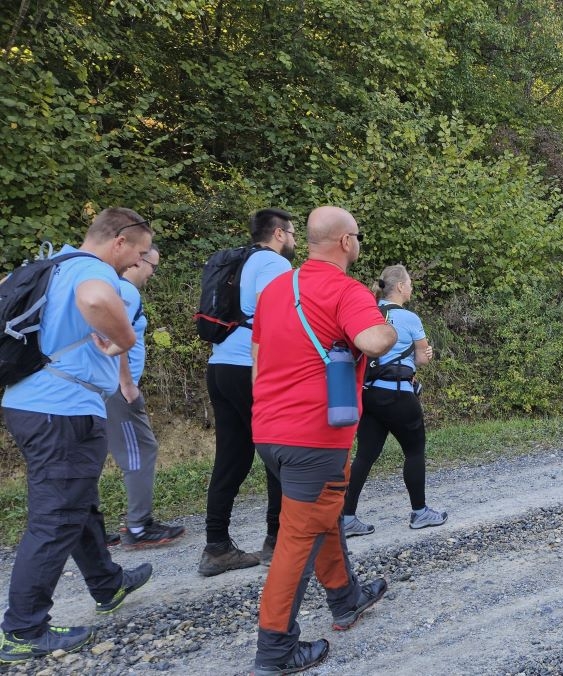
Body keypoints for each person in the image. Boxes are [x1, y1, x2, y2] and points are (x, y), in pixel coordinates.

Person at [0, 208, 155, 662]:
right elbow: (95, 298)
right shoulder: (93, 271)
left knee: (77, 502)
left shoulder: (52, 264)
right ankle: (23, 630)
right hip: (62, 410)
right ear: (120, 241)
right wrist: (126, 339)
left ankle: (107, 584)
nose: (139, 261)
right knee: (56, 517)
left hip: (30, 401)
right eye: (140, 252)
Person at [250, 206, 396, 674]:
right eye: (358, 236)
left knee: (321, 516)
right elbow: (373, 341)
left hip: (269, 430)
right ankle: (275, 650)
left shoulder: (276, 289)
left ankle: (346, 598)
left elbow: (257, 359)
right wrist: (390, 324)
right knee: (298, 540)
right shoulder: (346, 290)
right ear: (346, 242)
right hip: (314, 437)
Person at [200, 208, 295, 576]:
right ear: (278, 234)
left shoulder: (238, 261)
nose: (294, 240)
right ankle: (277, 539)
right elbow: (278, 317)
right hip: (251, 368)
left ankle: (216, 546)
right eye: (291, 233)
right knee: (277, 450)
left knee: (231, 457)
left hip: (220, 365)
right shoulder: (274, 264)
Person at [342, 264, 447, 536]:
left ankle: (347, 517)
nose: (411, 287)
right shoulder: (409, 318)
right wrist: (426, 354)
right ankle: (420, 512)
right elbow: (422, 358)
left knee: (365, 455)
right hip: (399, 393)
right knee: (414, 451)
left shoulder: (369, 313)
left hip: (369, 394)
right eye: (409, 283)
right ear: (400, 286)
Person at [105, 245, 185, 547]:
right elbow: (116, 337)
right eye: (153, 266)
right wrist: (127, 384)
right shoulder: (125, 291)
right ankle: (138, 526)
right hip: (117, 389)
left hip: (103, 387)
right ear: (138, 261)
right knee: (141, 450)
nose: (153, 273)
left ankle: (88, 530)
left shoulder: (109, 287)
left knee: (92, 456)